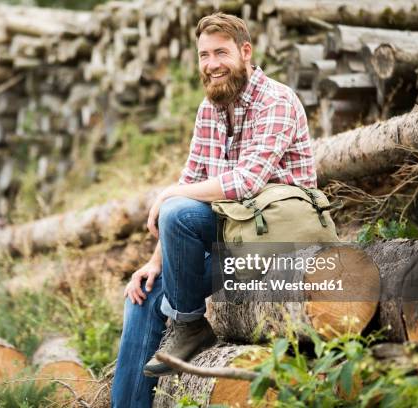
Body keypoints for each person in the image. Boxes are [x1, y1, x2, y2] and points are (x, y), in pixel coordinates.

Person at [111, 12, 317, 407]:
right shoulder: (210, 109)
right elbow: (192, 180)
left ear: (245, 52)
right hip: (233, 235)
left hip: (278, 238)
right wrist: (156, 263)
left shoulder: (276, 100)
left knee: (176, 211)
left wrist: (168, 193)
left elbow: (246, 182)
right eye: (204, 55)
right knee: (145, 295)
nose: (212, 64)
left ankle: (188, 324)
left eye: (220, 52)